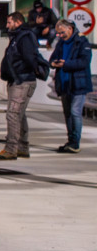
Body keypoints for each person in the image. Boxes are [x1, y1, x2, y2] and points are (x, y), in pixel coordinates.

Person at [0, 12, 41, 160]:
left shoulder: (24, 36)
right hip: (18, 80)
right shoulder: (18, 36)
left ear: (17, 22)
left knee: (13, 114)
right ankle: (22, 147)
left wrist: (17, 72)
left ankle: (11, 149)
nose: (7, 26)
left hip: (22, 81)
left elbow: (29, 58)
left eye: (9, 23)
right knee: (19, 115)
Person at [51, 19, 91, 153]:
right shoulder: (61, 44)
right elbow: (52, 58)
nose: (60, 35)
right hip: (64, 83)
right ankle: (71, 141)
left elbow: (84, 62)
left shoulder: (82, 42)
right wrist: (54, 63)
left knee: (75, 112)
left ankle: (75, 142)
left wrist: (66, 64)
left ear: (70, 29)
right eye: (58, 34)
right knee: (68, 114)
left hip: (78, 84)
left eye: (62, 32)